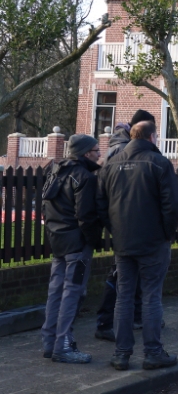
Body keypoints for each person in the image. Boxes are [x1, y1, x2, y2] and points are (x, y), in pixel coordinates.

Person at [96, 121, 178, 371]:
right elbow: (172, 205)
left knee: (124, 297)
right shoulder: (160, 163)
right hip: (153, 241)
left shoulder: (111, 164)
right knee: (152, 295)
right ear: (153, 137)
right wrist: (165, 234)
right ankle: (153, 352)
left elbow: (100, 204)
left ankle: (122, 354)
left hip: (123, 241)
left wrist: (115, 231)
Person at [40, 135, 103, 364]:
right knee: (73, 293)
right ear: (86, 153)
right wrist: (94, 240)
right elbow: (85, 216)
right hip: (78, 246)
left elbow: (45, 206)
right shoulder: (84, 177)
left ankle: (49, 342)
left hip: (57, 241)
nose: (99, 154)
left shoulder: (54, 171)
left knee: (56, 291)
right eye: (96, 150)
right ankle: (63, 345)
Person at [95, 109, 157, 341]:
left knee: (131, 274)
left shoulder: (117, 148)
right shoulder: (123, 151)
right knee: (120, 275)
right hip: (126, 223)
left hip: (121, 222)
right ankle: (105, 322)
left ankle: (137, 317)